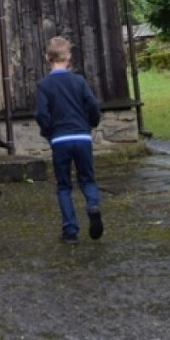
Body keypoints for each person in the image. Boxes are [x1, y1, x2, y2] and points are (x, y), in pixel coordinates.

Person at [34, 35, 104, 244]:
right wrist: (92, 123)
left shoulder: (44, 85)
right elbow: (92, 105)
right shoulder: (79, 81)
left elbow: (40, 113)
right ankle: (93, 205)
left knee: (63, 185)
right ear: (69, 57)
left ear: (47, 57)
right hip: (82, 136)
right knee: (87, 178)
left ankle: (70, 230)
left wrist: (48, 131)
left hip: (59, 139)